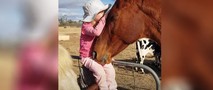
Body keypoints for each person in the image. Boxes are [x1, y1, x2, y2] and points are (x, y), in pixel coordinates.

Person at [79, 0, 117, 90]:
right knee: (100, 73)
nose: (103, 14)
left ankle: (113, 88)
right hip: (87, 57)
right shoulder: (86, 26)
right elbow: (96, 32)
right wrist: (103, 20)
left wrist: (107, 55)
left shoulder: (98, 24)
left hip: (97, 55)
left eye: (104, 12)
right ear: (93, 15)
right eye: (101, 13)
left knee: (110, 70)